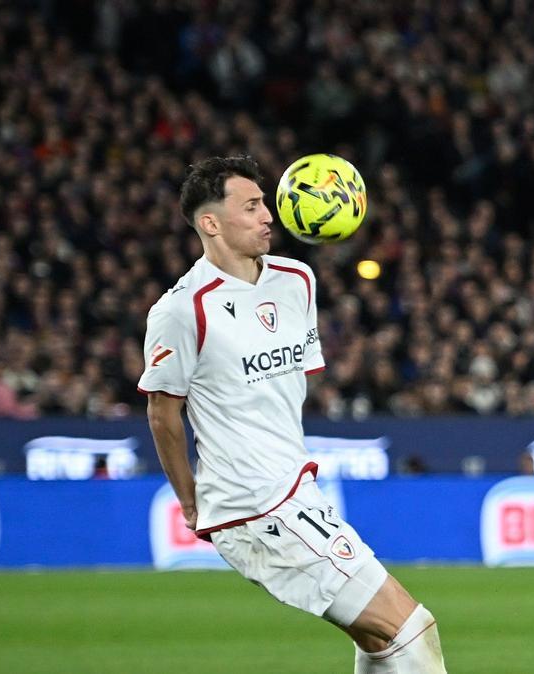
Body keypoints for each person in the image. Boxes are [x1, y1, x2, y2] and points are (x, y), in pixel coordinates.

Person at [138, 156, 446, 673]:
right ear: (210, 223)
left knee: (380, 641)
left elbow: (286, 387)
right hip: (254, 506)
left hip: (296, 491)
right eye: (252, 205)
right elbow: (162, 415)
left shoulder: (296, 279)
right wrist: (191, 503)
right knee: (411, 629)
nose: (268, 216)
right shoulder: (180, 310)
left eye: (265, 203)